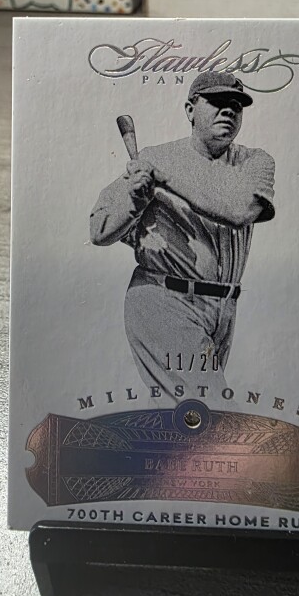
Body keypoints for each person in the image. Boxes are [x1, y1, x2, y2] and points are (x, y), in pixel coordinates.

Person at [90, 71, 275, 401]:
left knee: (183, 413)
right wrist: (135, 201)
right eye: (216, 102)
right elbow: (99, 230)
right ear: (190, 110)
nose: (228, 110)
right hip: (163, 298)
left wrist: (165, 181)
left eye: (236, 105)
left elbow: (240, 212)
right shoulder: (155, 158)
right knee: (209, 406)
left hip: (223, 307)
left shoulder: (255, 161)